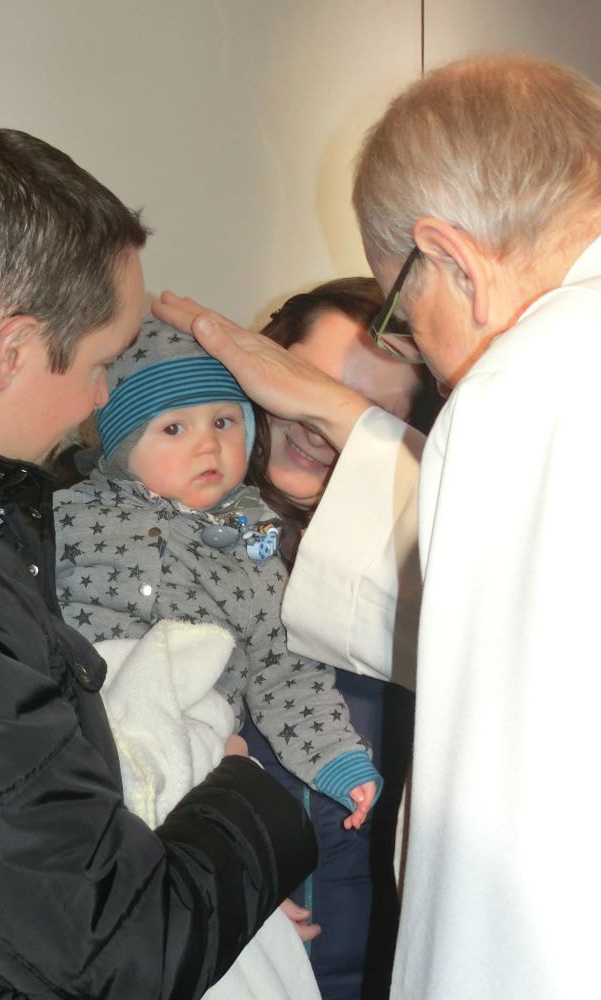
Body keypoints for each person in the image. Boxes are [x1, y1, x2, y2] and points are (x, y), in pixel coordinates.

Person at [152, 53, 601, 1000]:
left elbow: (516, 807)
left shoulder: (531, 387)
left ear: (453, 259)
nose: (432, 361)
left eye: (403, 312)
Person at [0, 128, 318, 999]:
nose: (102, 397)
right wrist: (246, 791)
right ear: (13, 351)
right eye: (103, 362)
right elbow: (122, 953)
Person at [54, 315, 381, 832]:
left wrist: (336, 757)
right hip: (85, 695)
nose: (208, 445)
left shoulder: (257, 552)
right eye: (174, 428)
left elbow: (284, 670)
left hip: (195, 721)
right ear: (123, 446)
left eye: (224, 423)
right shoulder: (68, 512)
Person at [241, 277, 437, 1000]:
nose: (321, 431)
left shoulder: (418, 579)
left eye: (364, 417)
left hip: (369, 957)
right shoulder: (148, 533)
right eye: (310, 388)